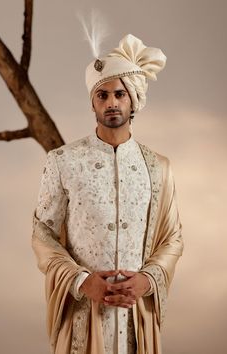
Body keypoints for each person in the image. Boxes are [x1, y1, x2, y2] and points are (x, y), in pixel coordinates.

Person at [32, 34, 183, 354]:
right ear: (92, 102)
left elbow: (173, 238)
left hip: (135, 316)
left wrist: (149, 280)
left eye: (120, 94)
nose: (112, 102)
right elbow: (43, 235)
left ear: (133, 101)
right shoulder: (63, 161)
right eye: (102, 95)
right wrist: (81, 281)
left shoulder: (158, 167)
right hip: (83, 313)